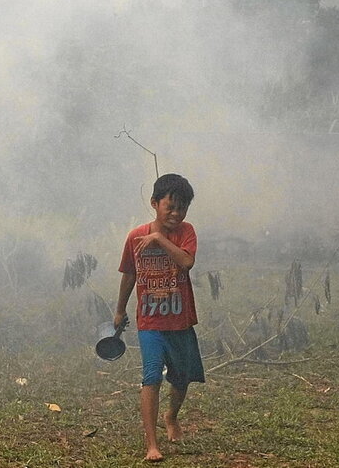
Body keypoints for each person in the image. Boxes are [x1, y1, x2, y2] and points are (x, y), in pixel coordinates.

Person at [114, 173, 205, 462]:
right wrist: (120, 310)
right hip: (150, 322)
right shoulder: (135, 237)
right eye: (170, 207)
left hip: (180, 321)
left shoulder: (187, 232)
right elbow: (129, 275)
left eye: (182, 208)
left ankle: (171, 416)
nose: (176, 213)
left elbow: (186, 261)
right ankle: (152, 444)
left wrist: (159, 239)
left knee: (181, 379)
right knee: (151, 377)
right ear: (155, 203)